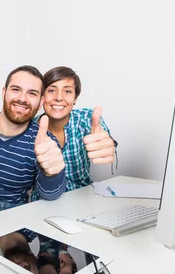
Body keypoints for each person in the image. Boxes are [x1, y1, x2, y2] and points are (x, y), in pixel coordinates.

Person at [0, 65, 66, 214]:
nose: (22, 99)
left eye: (32, 93)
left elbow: (50, 195)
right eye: (16, 89)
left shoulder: (45, 142)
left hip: (11, 214)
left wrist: (52, 173)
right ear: (4, 93)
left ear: (41, 102)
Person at [31, 66, 116, 201]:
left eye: (67, 91)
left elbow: (104, 137)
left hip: (83, 199)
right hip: (43, 202)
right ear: (42, 97)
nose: (59, 98)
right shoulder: (30, 129)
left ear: (75, 98)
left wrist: (108, 143)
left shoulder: (87, 118)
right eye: (52, 90)